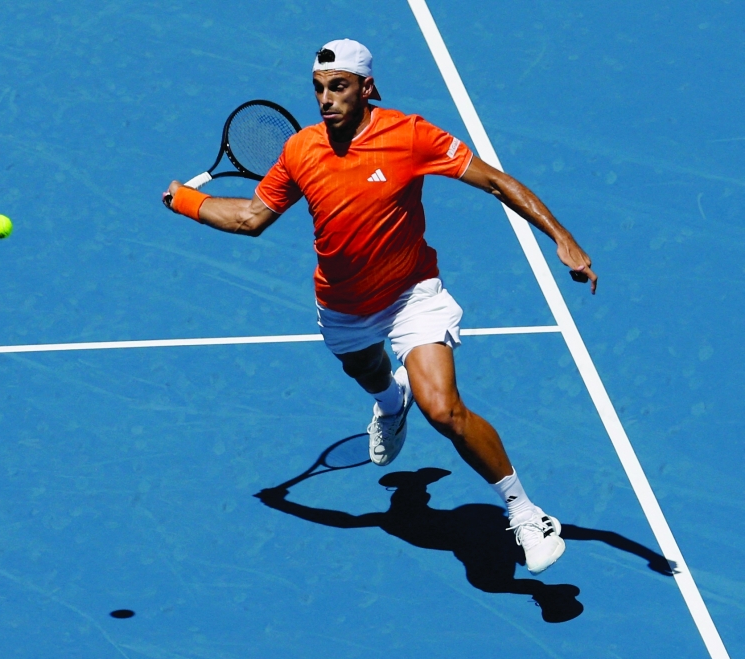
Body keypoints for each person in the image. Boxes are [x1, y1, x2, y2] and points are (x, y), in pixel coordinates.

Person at [162, 39, 597, 575]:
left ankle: (526, 512)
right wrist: (187, 201)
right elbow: (252, 217)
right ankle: (391, 404)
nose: (326, 99)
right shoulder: (300, 149)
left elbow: (496, 181)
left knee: (444, 409)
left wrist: (561, 237)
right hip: (343, 304)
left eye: (338, 87)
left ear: (366, 87)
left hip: (412, 293)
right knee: (366, 371)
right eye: (319, 88)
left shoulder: (410, 135)